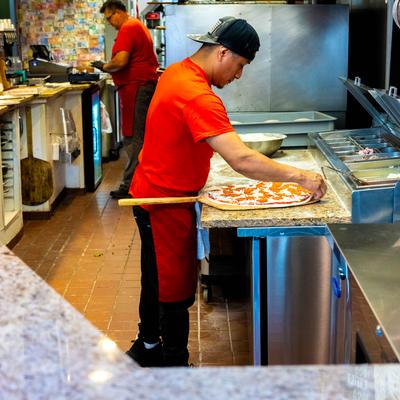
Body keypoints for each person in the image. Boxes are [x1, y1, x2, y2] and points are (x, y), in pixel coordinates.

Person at [125, 16, 327, 367]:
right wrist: (301, 177)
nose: (238, 75)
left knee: (154, 277)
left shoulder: (177, 72)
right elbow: (242, 159)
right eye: (241, 65)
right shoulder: (197, 95)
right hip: (164, 204)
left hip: (152, 192)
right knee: (173, 289)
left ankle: (147, 346)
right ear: (223, 53)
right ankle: (172, 366)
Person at [92, 0, 159, 199]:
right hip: (138, 87)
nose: (110, 23)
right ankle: (139, 183)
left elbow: (120, 61)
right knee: (137, 136)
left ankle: (131, 186)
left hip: (136, 87)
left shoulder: (129, 27)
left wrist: (104, 66)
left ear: (119, 12)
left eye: (110, 18)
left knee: (134, 137)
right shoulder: (137, 25)